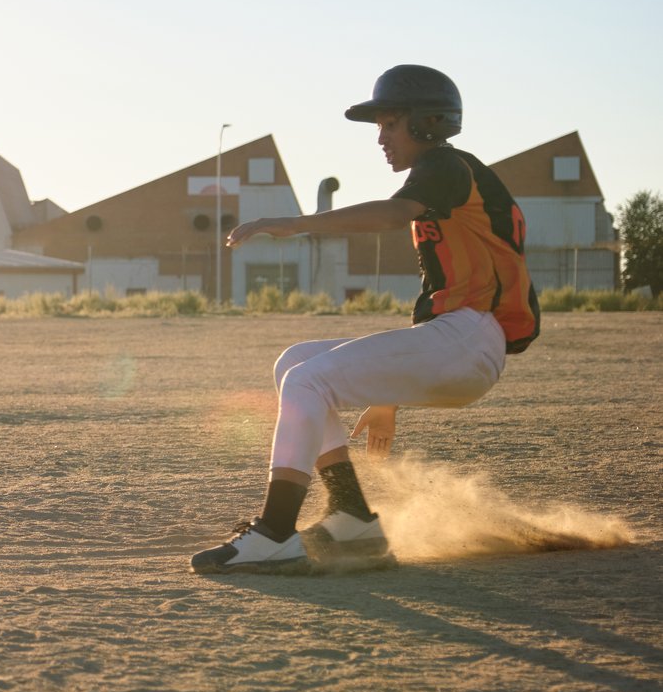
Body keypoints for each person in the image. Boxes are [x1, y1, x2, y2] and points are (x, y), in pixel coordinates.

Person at [191, 65, 540, 574]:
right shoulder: (445, 180)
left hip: (470, 336)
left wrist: (292, 224)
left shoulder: (446, 166)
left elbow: (389, 215)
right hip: (457, 338)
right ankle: (353, 520)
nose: (381, 138)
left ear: (425, 123)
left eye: (390, 124)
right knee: (297, 362)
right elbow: (434, 308)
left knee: (309, 379)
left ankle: (274, 533)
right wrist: (385, 392)